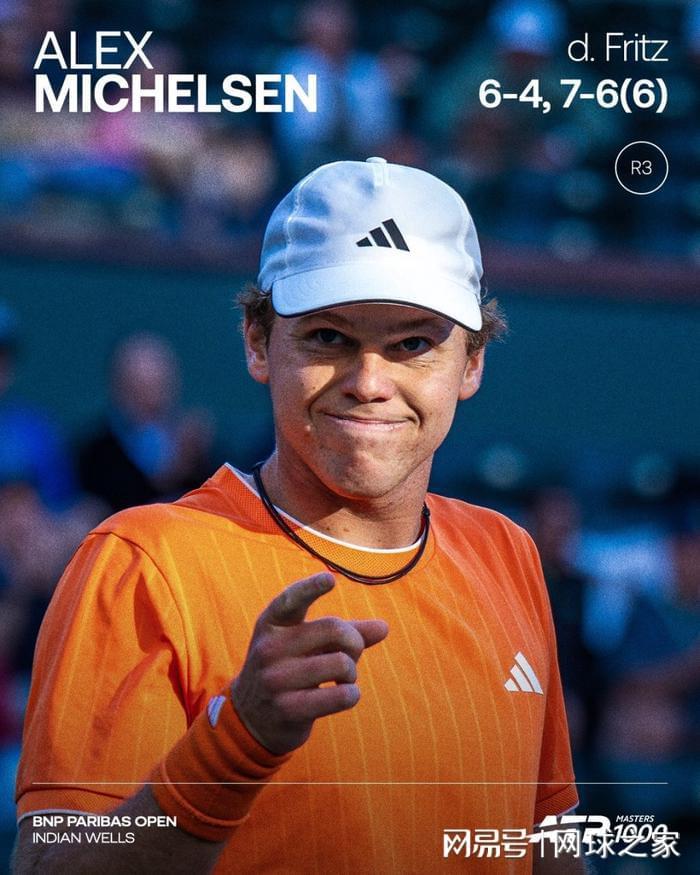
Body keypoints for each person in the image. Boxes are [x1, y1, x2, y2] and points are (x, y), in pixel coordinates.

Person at [14, 157, 581, 873]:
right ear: (258, 342)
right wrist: (235, 743)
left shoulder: (508, 553)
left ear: (472, 363)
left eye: (413, 343)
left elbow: (548, 844)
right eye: (328, 337)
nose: (369, 381)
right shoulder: (142, 562)